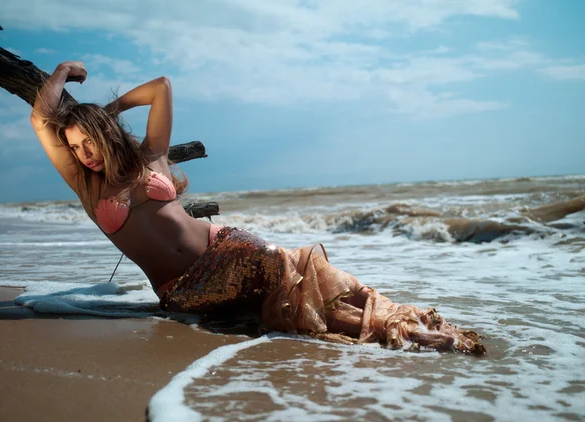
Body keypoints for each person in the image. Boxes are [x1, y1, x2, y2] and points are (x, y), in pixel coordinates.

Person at [31, 61, 485, 355]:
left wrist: (111, 107)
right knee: (290, 309)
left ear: (106, 135)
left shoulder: (150, 156)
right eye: (76, 147)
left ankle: (410, 326)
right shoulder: (87, 188)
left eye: (90, 139)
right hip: (183, 292)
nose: (85, 152)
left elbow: (161, 87)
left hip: (227, 250)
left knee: (298, 278)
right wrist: (62, 71)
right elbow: (39, 118)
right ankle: (398, 331)